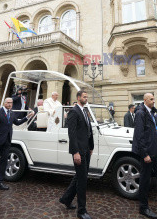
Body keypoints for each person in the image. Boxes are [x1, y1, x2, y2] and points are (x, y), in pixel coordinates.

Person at [59, 90, 94, 219]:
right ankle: (82, 211)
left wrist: (91, 146)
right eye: (84, 96)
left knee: (80, 177)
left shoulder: (84, 111)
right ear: (78, 98)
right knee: (82, 180)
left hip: (86, 150)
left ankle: (66, 199)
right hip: (79, 151)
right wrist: (75, 152)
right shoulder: (74, 112)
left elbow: (89, 130)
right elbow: (72, 134)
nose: (86, 98)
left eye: (87, 96)